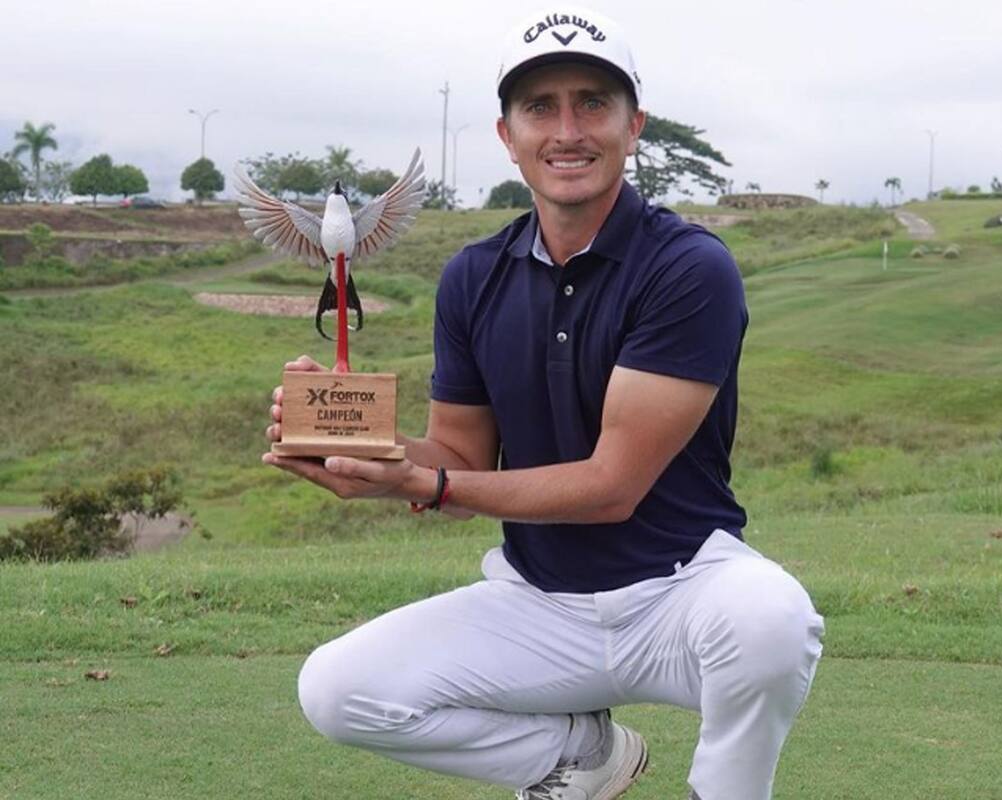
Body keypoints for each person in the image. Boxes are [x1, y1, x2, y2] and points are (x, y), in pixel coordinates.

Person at [263, 7, 824, 799]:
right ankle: (581, 758)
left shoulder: (689, 267)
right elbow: (455, 460)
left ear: (635, 126)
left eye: (593, 103)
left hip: (679, 593)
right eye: (540, 107)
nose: (568, 130)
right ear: (506, 134)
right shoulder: (473, 276)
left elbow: (610, 486)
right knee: (337, 689)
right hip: (537, 604)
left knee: (772, 618)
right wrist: (370, 448)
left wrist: (425, 486)